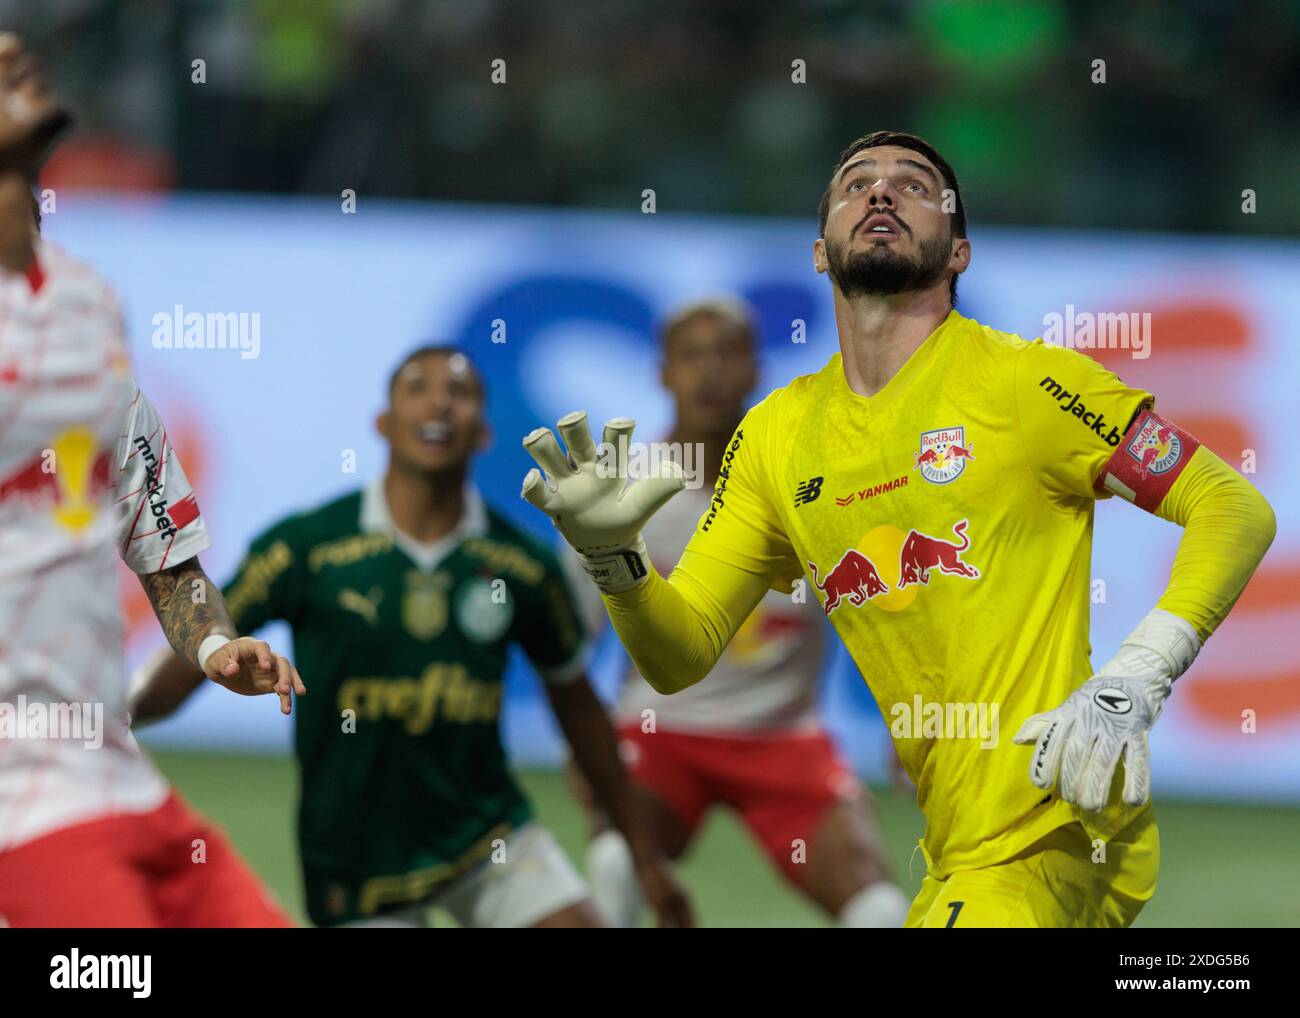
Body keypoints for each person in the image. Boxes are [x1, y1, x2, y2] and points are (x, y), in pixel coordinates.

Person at [519, 130, 1276, 928]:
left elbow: (1231, 506)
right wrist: (617, 564)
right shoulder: (778, 436)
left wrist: (1135, 680)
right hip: (961, 849)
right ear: (820, 251)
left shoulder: (1030, 383)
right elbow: (681, 655)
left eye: (914, 185)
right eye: (856, 184)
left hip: (1053, 825)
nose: (880, 193)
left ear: (959, 252)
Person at [131, 345, 692, 928]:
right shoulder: (306, 547)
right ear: (383, 422)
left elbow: (580, 712)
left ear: (482, 433)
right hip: (355, 864)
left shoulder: (519, 565)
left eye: (461, 392)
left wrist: (646, 857)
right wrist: (109, 720)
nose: (441, 402)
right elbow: (202, 655)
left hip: (489, 838)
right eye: (418, 386)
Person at [0, 32, 303, 928]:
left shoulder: (90, 312)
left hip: (117, 778)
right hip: (21, 802)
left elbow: (168, 565)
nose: (18, 54)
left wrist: (215, 649)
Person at [564, 298, 908, 927]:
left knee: (881, 910)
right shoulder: (618, 495)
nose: (710, 372)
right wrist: (582, 753)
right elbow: (566, 647)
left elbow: (884, 618)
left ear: (756, 371)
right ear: (662, 372)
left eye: (728, 353)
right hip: (659, 732)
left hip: (784, 738)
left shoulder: (810, 487)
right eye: (691, 355)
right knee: (616, 862)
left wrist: (905, 723)